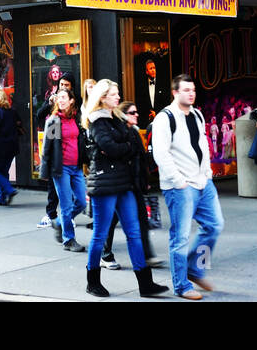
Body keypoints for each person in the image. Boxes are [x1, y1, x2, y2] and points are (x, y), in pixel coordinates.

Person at [81, 80, 169, 298]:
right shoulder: (97, 120)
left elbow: (126, 143)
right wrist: (125, 147)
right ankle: (92, 281)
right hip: (105, 185)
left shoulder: (116, 118)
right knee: (100, 235)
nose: (118, 97)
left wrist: (122, 147)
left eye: (117, 93)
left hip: (123, 182)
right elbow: (110, 147)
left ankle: (145, 283)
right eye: (113, 94)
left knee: (134, 233)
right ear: (102, 97)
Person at [152, 74, 224, 300]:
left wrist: (208, 173)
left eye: (193, 90)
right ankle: (182, 285)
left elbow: (202, 143)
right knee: (180, 237)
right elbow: (160, 153)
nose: (191, 93)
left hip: (203, 182)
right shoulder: (165, 118)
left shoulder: (197, 114)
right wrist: (178, 181)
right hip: (181, 186)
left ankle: (196, 269)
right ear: (175, 92)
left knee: (214, 225)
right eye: (186, 90)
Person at [100, 99, 162, 270]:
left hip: (133, 185)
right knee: (110, 221)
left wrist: (144, 181)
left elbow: (140, 159)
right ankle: (105, 254)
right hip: (119, 184)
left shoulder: (134, 133)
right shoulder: (118, 133)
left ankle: (147, 256)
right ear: (123, 115)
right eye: (132, 113)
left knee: (142, 219)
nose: (136, 115)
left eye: (136, 112)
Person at [40, 87, 88, 251]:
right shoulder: (54, 121)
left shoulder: (76, 118)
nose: (60, 100)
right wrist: (44, 171)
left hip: (76, 167)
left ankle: (60, 223)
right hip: (61, 169)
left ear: (71, 101)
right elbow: (47, 147)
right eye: (58, 98)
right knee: (66, 206)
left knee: (81, 202)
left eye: (64, 97)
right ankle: (69, 240)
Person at [34, 75, 77, 236]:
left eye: (66, 85)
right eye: (61, 85)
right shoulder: (53, 115)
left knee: (78, 197)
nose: (63, 88)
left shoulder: (73, 107)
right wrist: (49, 103)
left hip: (73, 157)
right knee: (56, 187)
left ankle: (64, 219)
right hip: (58, 155)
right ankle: (57, 220)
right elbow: (39, 115)